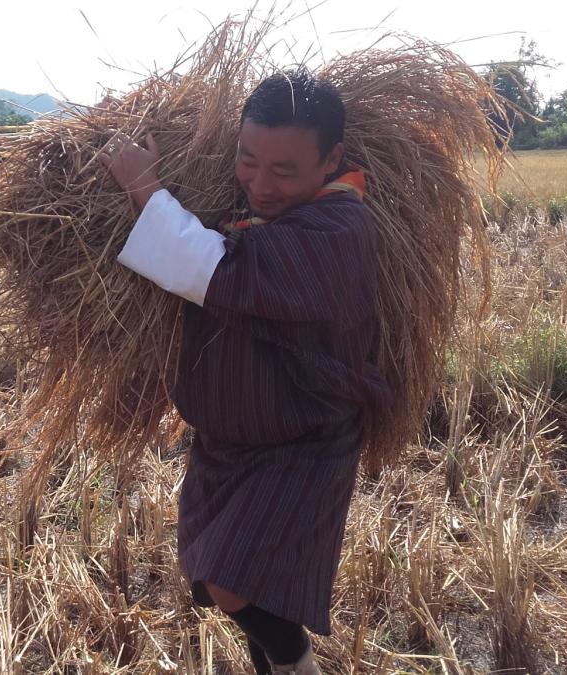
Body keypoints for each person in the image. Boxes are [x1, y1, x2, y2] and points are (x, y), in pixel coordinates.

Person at [98, 71, 392, 675]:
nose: (259, 185)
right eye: (247, 161)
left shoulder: (340, 229)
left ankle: (298, 666)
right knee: (235, 585)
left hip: (299, 444)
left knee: (233, 582)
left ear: (331, 160)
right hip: (226, 444)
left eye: (283, 171)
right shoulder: (252, 210)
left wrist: (147, 189)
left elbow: (222, 271)